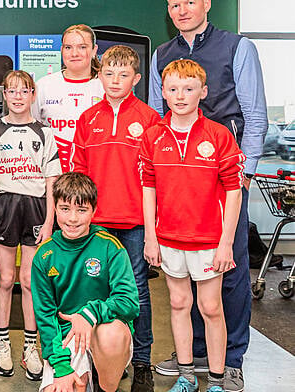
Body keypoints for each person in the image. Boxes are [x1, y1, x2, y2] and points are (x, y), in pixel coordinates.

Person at [148, 3, 267, 391]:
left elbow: (253, 113)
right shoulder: (162, 55)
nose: (181, 9)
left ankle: (230, 360)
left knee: (226, 272)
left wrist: (243, 175)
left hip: (226, 177)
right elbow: (154, 115)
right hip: (178, 176)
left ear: (207, 4)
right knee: (183, 281)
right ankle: (195, 354)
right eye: (174, 3)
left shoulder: (238, 47)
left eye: (189, 1)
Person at [141, 59, 245, 392]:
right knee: (178, 303)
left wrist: (226, 242)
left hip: (209, 240)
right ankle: (186, 376)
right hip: (168, 238)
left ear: (203, 92)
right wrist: (150, 238)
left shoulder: (219, 135)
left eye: (188, 89)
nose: (180, 96)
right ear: (163, 93)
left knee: (211, 307)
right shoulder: (153, 137)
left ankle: (215, 379)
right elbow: (148, 188)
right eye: (172, 89)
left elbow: (233, 191)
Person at [71, 45, 161, 392]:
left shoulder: (150, 119)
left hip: (135, 222)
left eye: (123, 75)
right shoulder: (88, 119)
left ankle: (141, 363)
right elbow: (78, 172)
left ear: (136, 79)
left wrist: (153, 226)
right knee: (94, 289)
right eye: (108, 74)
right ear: (100, 76)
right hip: (97, 223)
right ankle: (99, 359)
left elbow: (155, 177)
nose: (115, 80)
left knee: (136, 291)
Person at [0, 70, 60, 380]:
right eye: (11, 91)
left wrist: (49, 221)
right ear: (5, 96)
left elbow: (51, 181)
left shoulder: (44, 131)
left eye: (23, 91)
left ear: (32, 95)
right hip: (4, 207)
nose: (17, 97)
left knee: (29, 280)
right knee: (4, 279)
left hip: (35, 209)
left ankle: (31, 348)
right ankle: (3, 343)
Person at [32, 172, 140, 392]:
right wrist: (61, 366)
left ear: (94, 211)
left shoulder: (111, 247)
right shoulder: (44, 255)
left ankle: (106, 387)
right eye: (65, 209)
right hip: (65, 337)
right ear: (54, 208)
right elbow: (46, 318)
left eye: (81, 210)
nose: (72, 218)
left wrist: (89, 314)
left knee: (111, 335)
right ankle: (80, 374)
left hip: (105, 331)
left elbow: (129, 302)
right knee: (65, 387)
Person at [32, 24, 104, 173]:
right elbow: (33, 130)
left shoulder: (105, 86)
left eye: (82, 47)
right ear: (61, 50)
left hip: (96, 171)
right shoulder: (44, 85)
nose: (74, 53)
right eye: (68, 47)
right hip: (53, 174)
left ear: (94, 51)